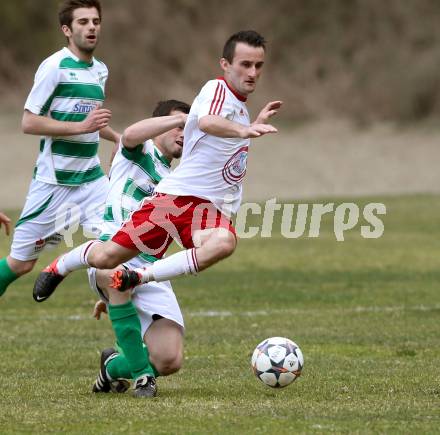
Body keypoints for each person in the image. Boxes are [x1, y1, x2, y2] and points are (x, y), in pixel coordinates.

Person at [34, 30, 281, 314]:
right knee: (105, 256)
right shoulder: (217, 90)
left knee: (224, 242)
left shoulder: (239, 109)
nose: (252, 72)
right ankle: (61, 265)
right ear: (225, 64)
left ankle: (137, 277)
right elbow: (208, 121)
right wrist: (244, 130)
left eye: (258, 66)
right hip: (175, 200)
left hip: (204, 208)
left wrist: (251, 124)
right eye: (245, 64)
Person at [0, 0, 119, 297]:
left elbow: (88, 119)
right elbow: (29, 122)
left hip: (92, 181)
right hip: (55, 182)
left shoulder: (100, 70)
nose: (91, 27)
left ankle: (131, 342)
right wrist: (81, 127)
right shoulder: (54, 67)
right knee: (20, 264)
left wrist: (117, 138)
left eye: (95, 21)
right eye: (83, 22)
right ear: (67, 29)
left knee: (119, 248)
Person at [87, 100, 190, 398]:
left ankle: (113, 367)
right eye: (176, 125)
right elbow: (131, 133)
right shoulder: (136, 152)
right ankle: (143, 378)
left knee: (169, 359)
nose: (182, 132)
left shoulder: (178, 183)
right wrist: (183, 118)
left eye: (187, 128)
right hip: (109, 253)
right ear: (158, 126)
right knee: (116, 275)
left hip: (149, 271)